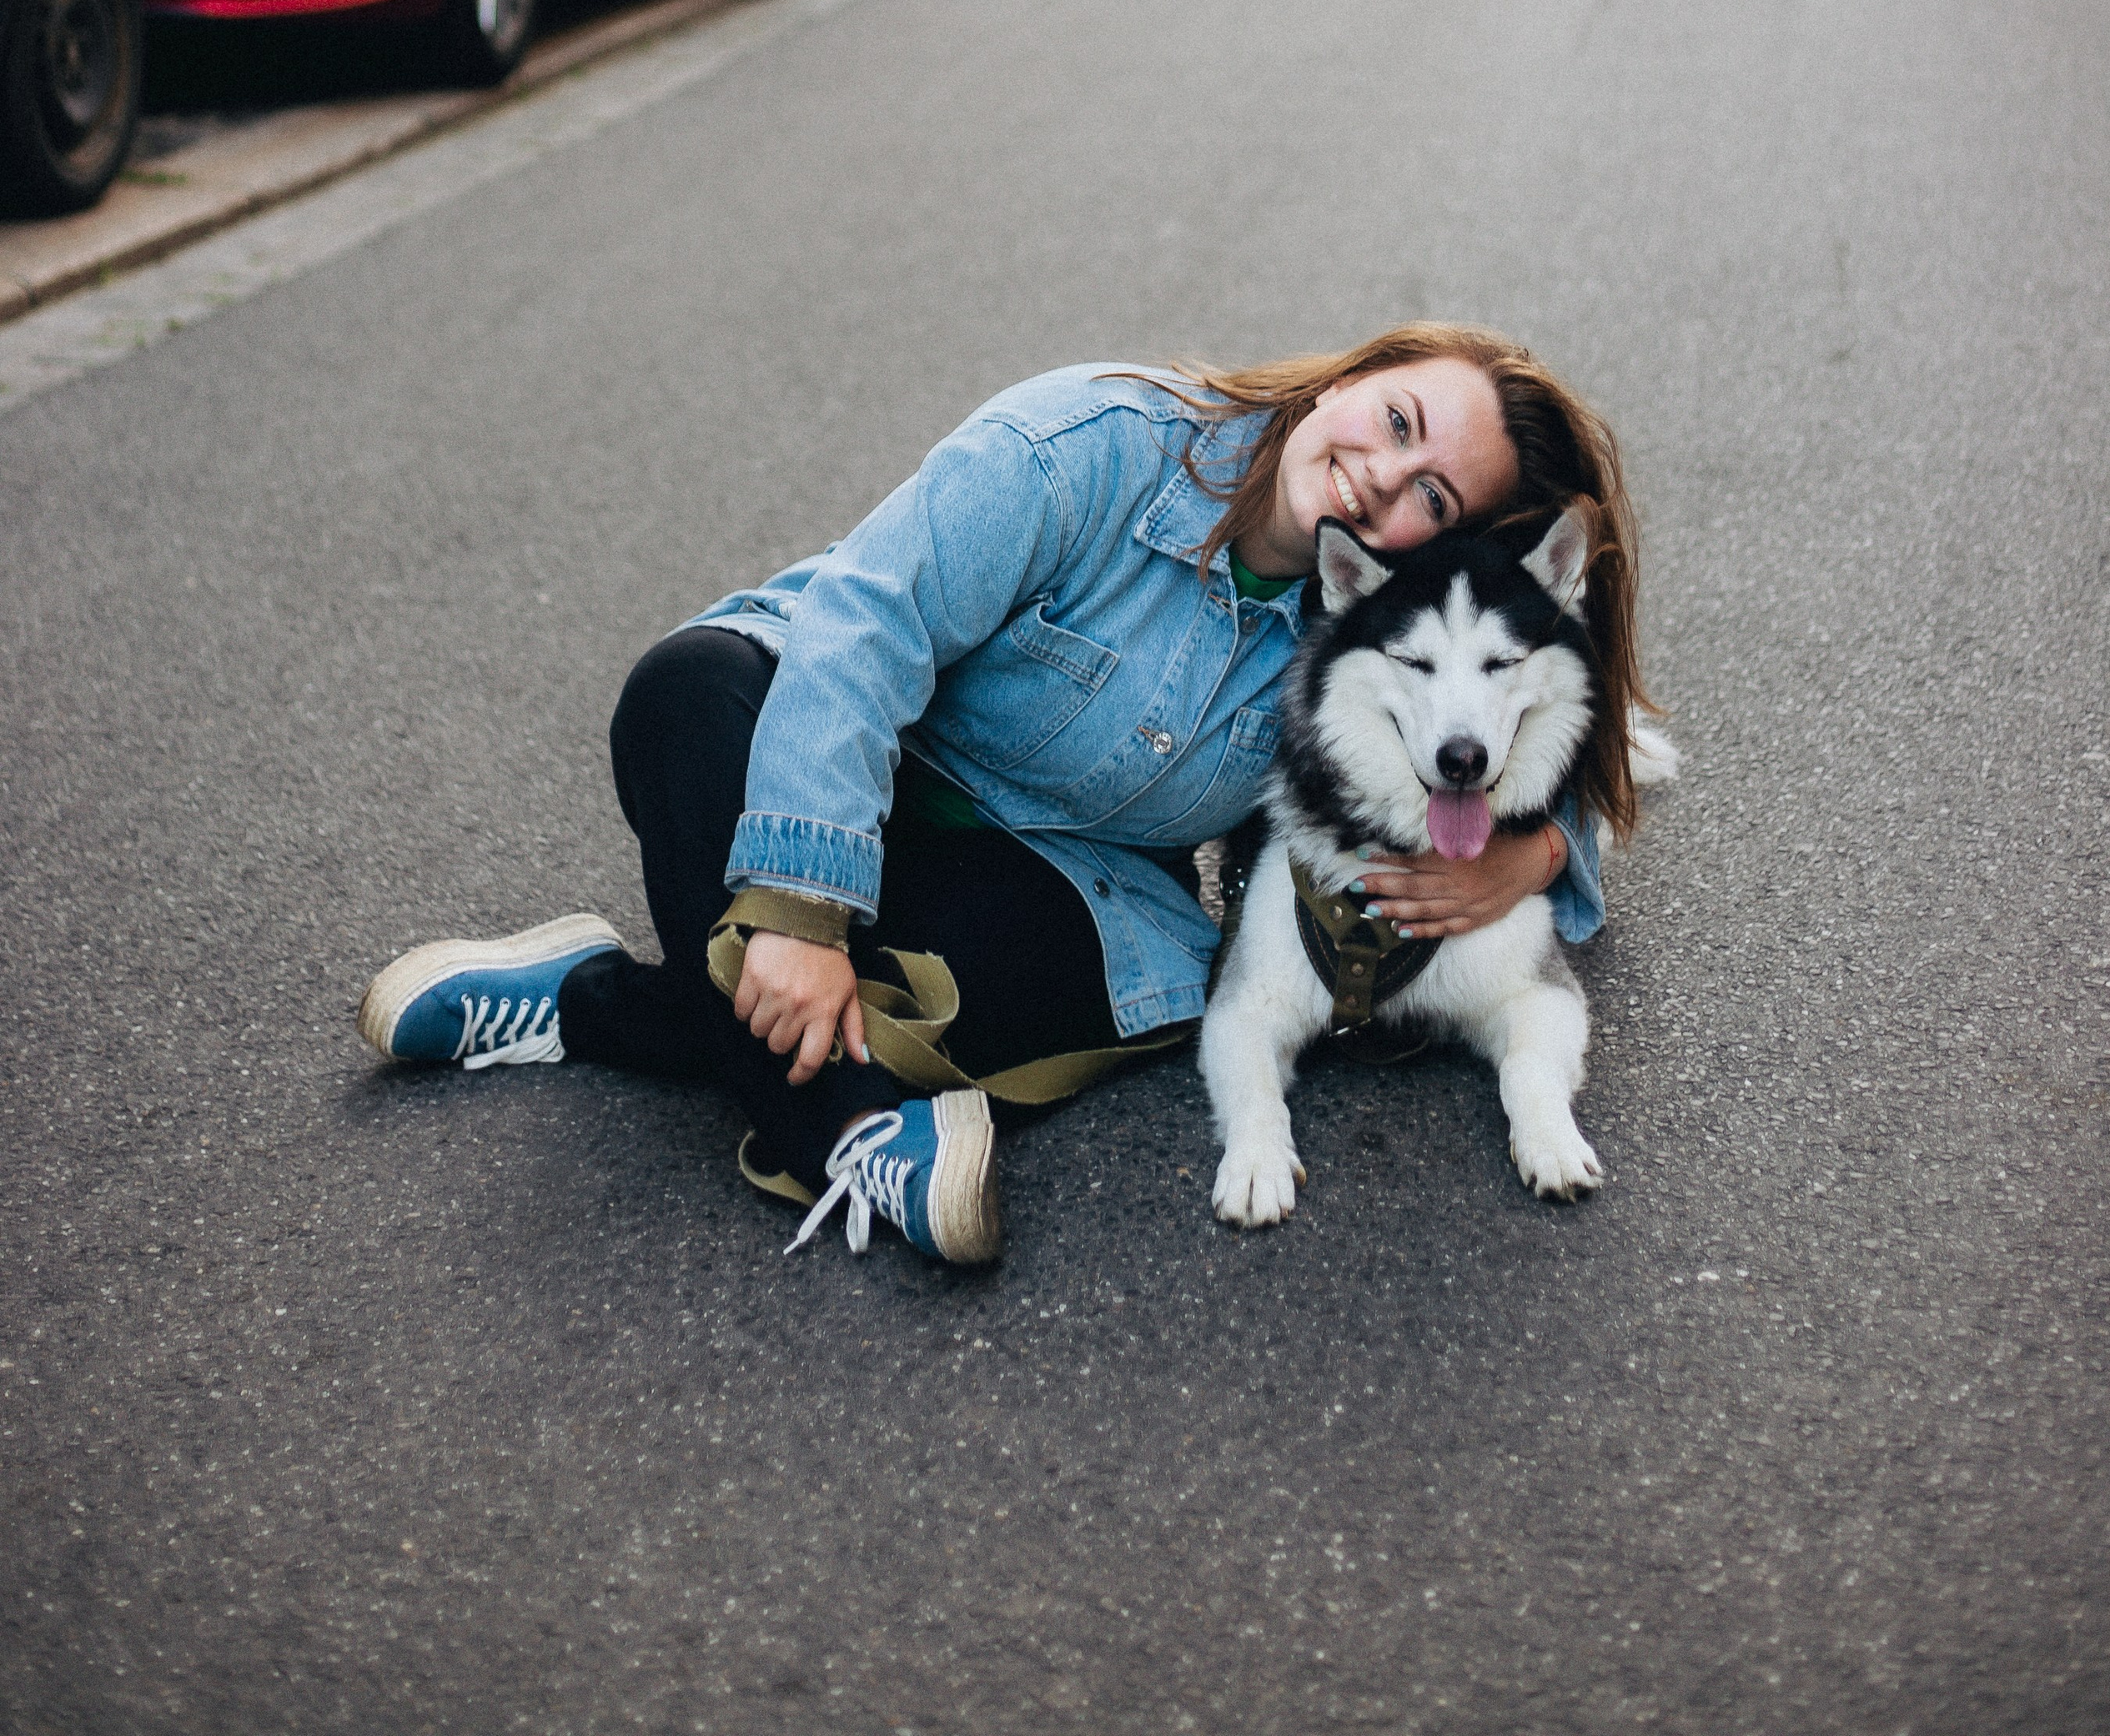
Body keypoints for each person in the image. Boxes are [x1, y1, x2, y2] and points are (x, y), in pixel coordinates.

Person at [358, 326, 1650, 1267]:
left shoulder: (1367, 633)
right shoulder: (1096, 439)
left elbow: (1535, 714)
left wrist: (1533, 863)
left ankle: (597, 1002)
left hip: (1038, 867)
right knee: (681, 697)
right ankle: (854, 1140)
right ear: (1360, 373)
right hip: (823, 748)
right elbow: (868, 624)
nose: (1384, 474)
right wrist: (804, 913)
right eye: (1401, 420)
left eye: (1434, 495)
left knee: (1080, 988)